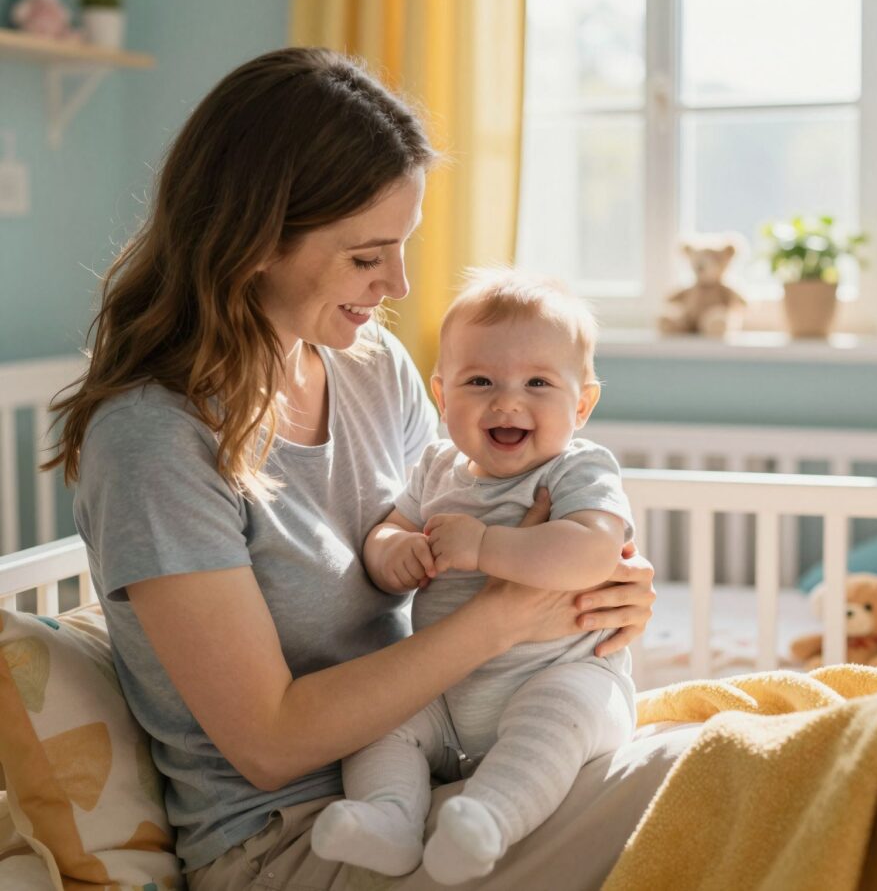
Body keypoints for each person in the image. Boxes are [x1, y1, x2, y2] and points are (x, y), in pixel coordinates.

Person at [46, 47, 696, 890]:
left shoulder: (368, 365)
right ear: (253, 242)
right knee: (744, 780)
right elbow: (270, 741)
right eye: (365, 257)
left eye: (403, 247)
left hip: (453, 770)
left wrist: (604, 591)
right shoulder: (154, 441)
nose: (397, 282)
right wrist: (509, 615)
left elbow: (475, 521)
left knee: (779, 756)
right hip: (294, 840)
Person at [313, 271, 637, 884]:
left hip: (560, 674)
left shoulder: (579, 469)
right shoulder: (437, 467)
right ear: (442, 394)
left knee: (560, 714)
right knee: (379, 717)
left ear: (583, 404)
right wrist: (393, 552)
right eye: (480, 381)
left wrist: (485, 544)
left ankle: (486, 820)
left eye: (538, 383)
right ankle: (390, 820)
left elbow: (596, 552)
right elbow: (387, 529)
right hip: (449, 693)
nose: (507, 401)